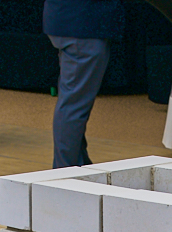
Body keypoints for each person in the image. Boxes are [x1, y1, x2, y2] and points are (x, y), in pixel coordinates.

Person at [44, 0, 124, 169]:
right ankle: (64, 172)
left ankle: (77, 166)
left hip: (71, 20)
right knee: (74, 105)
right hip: (83, 24)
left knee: (73, 101)